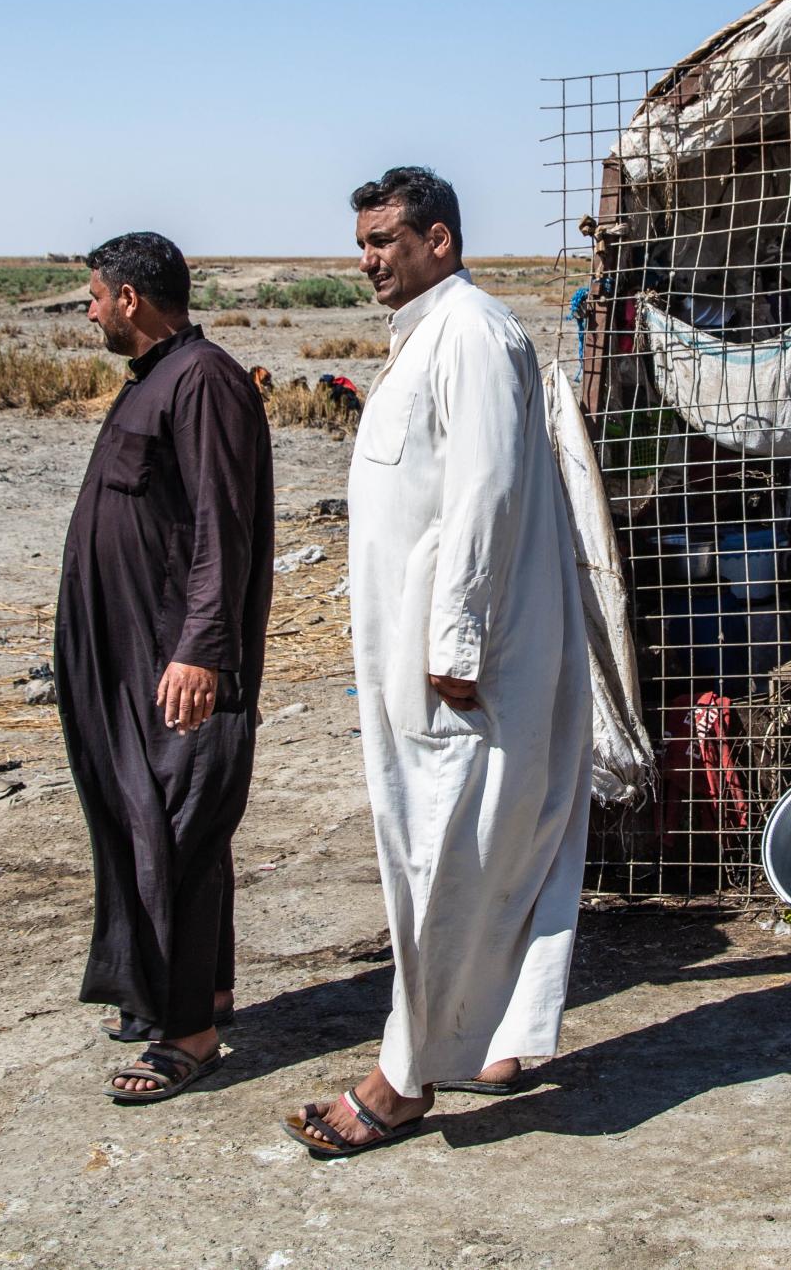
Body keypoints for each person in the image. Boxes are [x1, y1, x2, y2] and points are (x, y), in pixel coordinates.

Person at [282, 167, 594, 1158]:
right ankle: (495, 1037)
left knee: (448, 863)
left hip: (462, 669)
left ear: (439, 240)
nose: (368, 259)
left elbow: (486, 499)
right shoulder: (423, 338)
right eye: (363, 242)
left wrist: (453, 645)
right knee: (469, 854)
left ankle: (402, 1078)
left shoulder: (473, 333)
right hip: (423, 662)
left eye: (384, 239)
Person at [55, 230, 273, 1103]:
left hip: (177, 664)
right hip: (138, 662)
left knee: (177, 829)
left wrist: (202, 650)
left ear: (131, 299)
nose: (92, 310)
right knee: (161, 825)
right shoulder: (160, 377)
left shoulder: (206, 380)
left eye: (95, 296)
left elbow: (226, 525)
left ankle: (187, 1034)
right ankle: (200, 990)